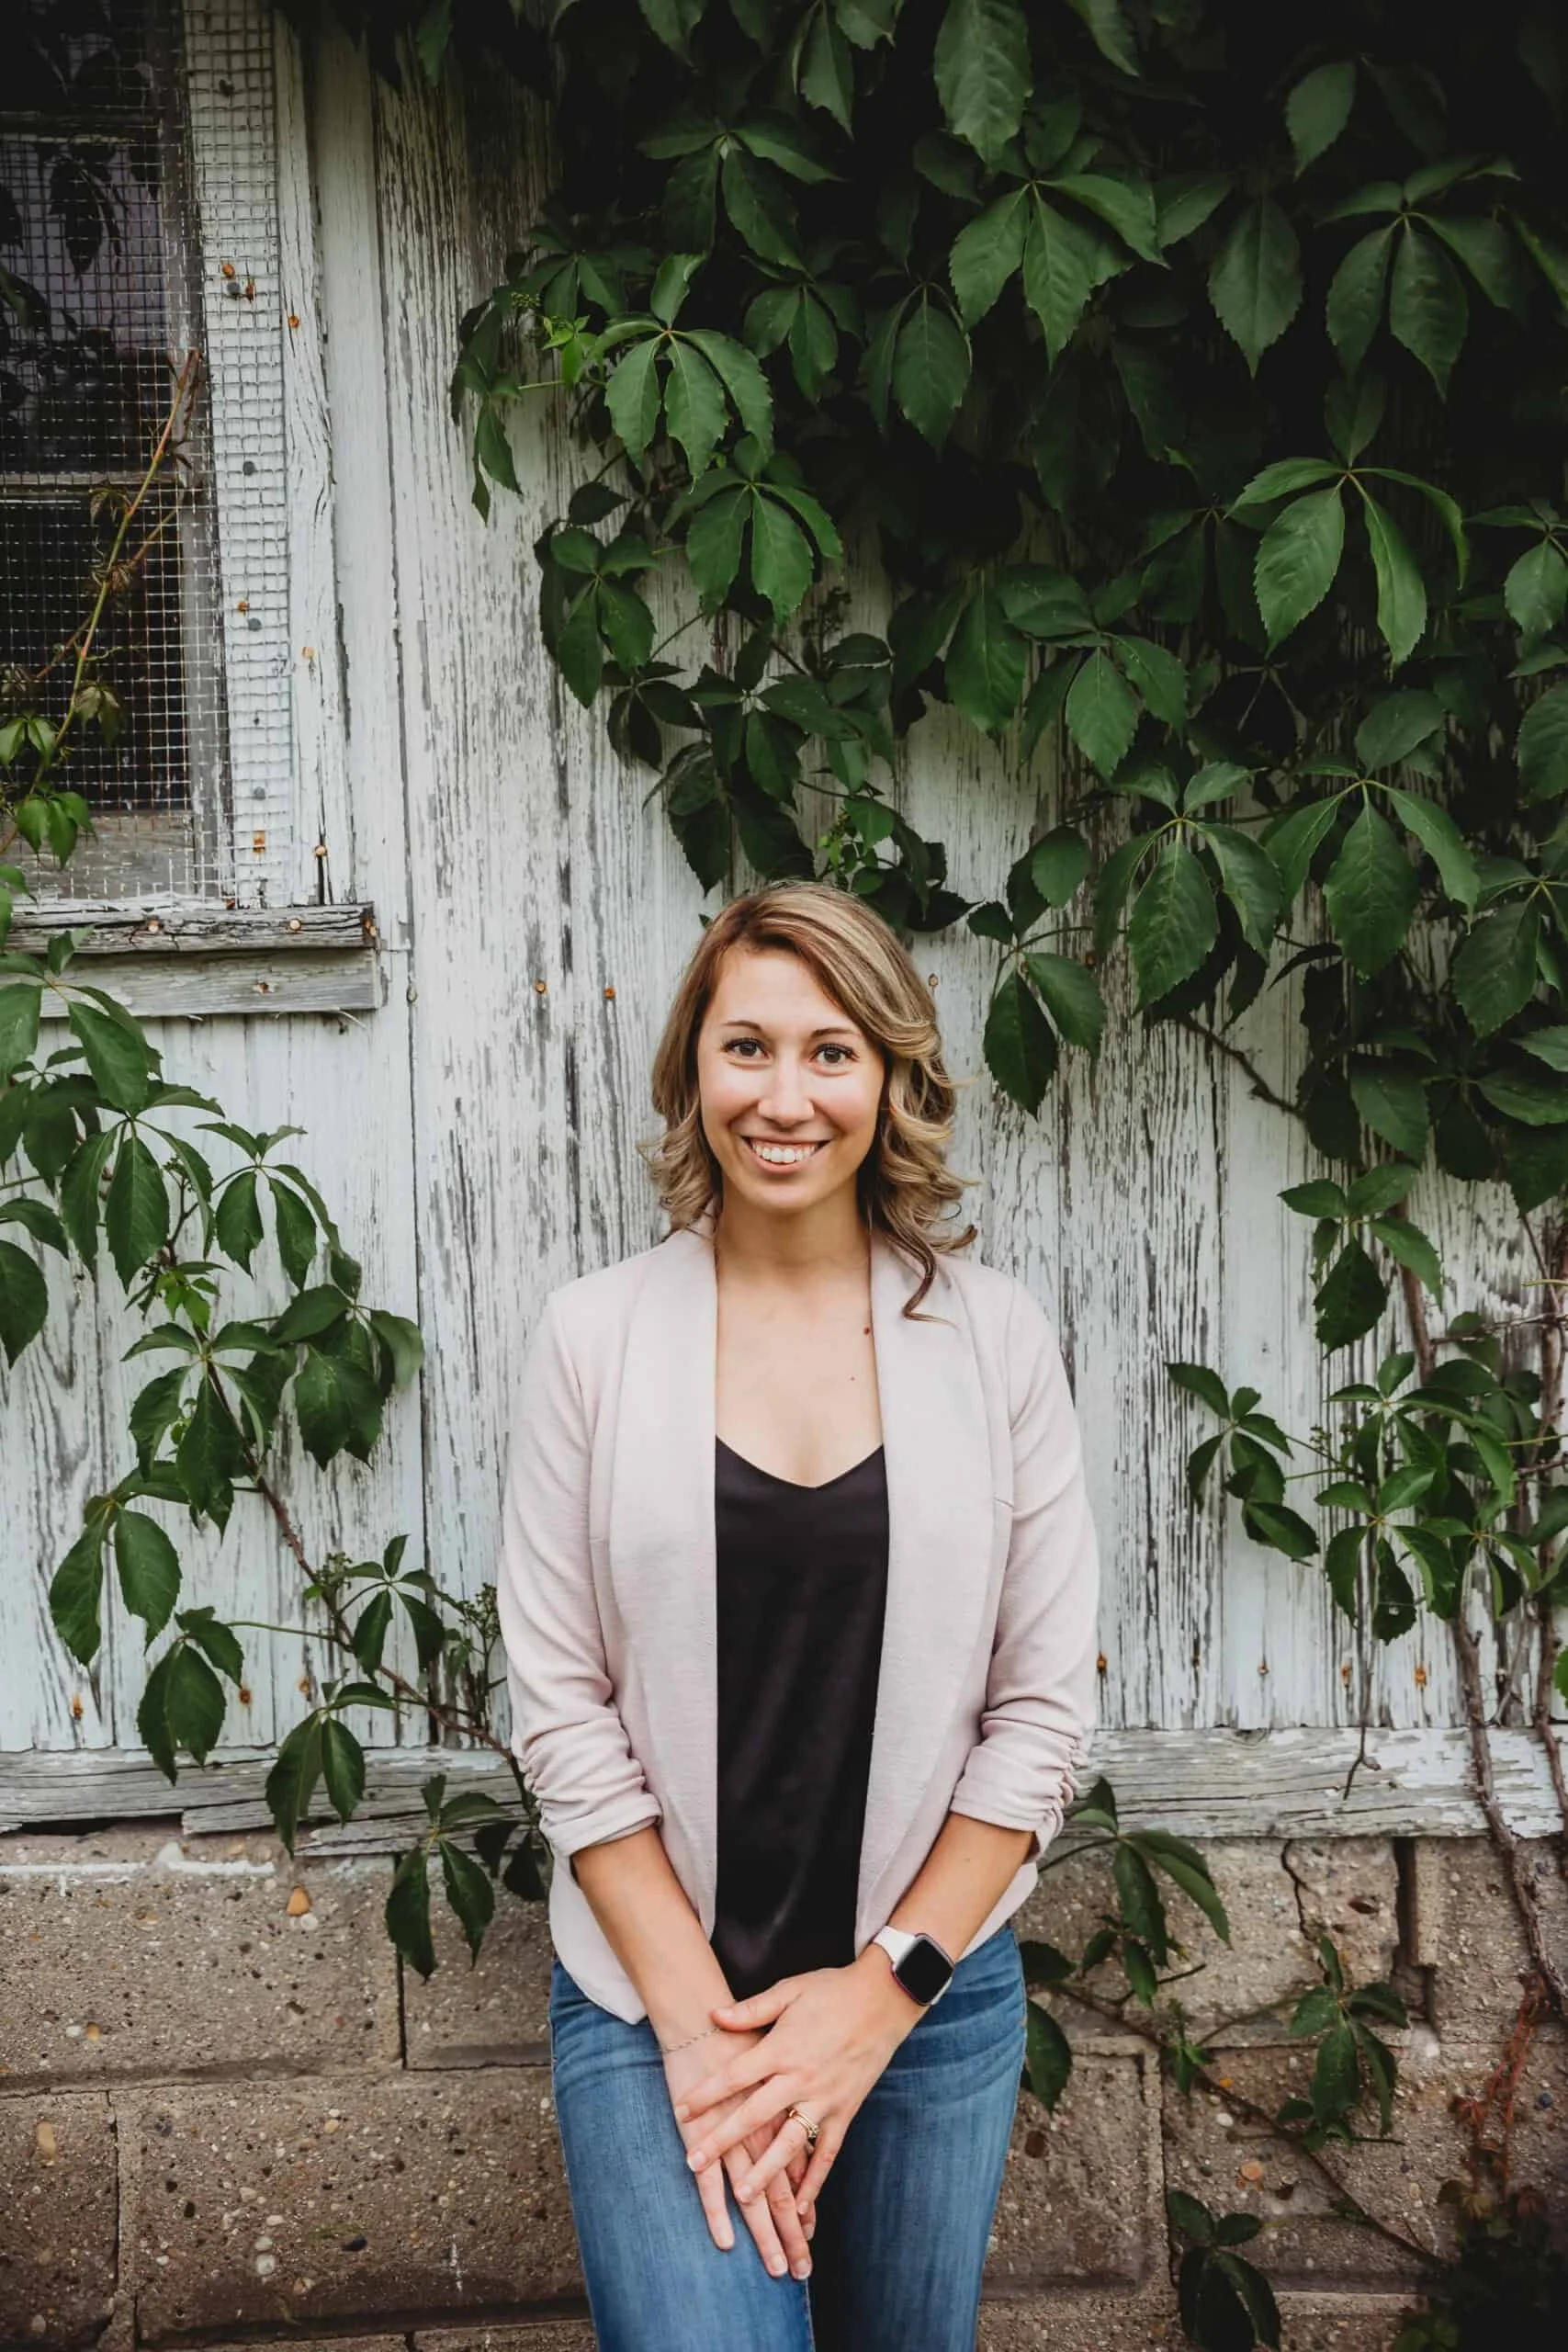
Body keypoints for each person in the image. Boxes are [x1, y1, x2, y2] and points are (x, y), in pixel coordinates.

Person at [495, 879, 1100, 2351]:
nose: (784, 1095)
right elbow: (558, 1712)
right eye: (745, 1046)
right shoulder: (593, 1339)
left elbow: (1040, 1717)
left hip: (925, 2008)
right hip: (658, 2009)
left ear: (889, 1077)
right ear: (692, 1068)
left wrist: (879, 1998)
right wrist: (704, 2027)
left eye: (830, 1052)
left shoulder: (994, 1340)